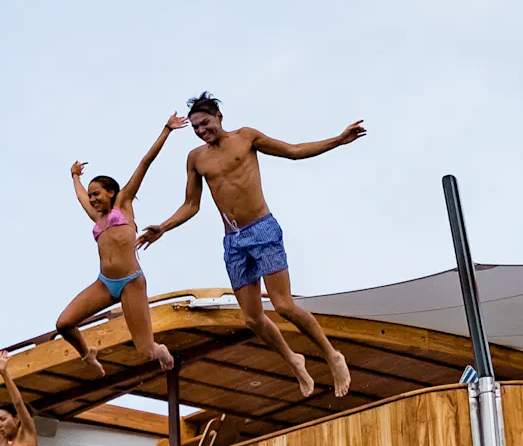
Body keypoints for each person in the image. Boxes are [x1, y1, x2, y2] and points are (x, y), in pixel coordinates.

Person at [137, 91, 365, 398]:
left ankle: (332, 355)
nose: (201, 130)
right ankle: (293, 360)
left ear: (219, 117)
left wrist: (337, 140)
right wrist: (163, 227)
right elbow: (192, 204)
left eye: (205, 123)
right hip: (233, 242)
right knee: (252, 318)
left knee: (283, 305)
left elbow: (293, 151)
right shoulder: (196, 158)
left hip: (262, 230)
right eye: (196, 127)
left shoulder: (246, 137)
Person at [56, 118, 181, 376]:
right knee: (64, 323)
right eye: (91, 196)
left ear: (111, 192)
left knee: (145, 350)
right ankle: (87, 354)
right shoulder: (96, 217)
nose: (92, 199)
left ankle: (161, 350)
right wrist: (74, 175)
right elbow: (79, 195)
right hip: (104, 283)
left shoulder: (123, 204)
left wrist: (166, 130)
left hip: (131, 282)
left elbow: (145, 162)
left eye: (96, 194)